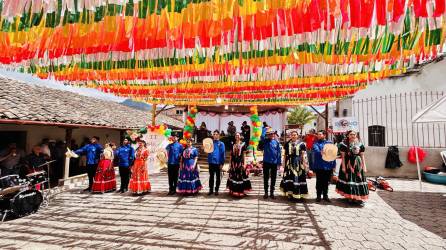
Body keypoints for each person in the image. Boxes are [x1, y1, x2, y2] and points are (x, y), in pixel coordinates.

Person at [335, 131, 369, 204]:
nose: (352, 136)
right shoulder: (343, 144)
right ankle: (349, 197)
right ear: (348, 136)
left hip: (358, 166)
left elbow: (362, 156)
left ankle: (357, 197)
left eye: (354, 134)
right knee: (349, 180)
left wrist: (364, 166)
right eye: (351, 134)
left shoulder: (360, 144)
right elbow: (343, 157)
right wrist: (343, 167)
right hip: (348, 165)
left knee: (358, 180)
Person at [280, 131, 309, 200]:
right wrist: (283, 163)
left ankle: (298, 193)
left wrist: (304, 163)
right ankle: (290, 193)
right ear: (290, 136)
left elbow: (302, 155)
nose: (293, 136)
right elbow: (285, 155)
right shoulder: (287, 144)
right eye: (292, 135)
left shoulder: (302, 144)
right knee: (289, 177)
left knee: (297, 177)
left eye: (295, 135)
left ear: (297, 136)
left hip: (297, 162)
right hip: (289, 162)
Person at [311, 130, 336, 202]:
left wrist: (333, 165)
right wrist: (324, 152)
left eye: (320, 134)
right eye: (318, 134)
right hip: (319, 165)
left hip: (328, 165)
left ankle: (325, 195)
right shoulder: (316, 144)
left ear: (324, 135)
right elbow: (317, 152)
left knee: (327, 181)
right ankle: (318, 196)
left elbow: (333, 154)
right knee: (319, 181)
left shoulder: (330, 143)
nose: (318, 135)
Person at [259, 128, 282, 199]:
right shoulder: (265, 141)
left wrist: (279, 163)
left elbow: (279, 153)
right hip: (266, 162)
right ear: (267, 135)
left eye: (272, 134)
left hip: (274, 163)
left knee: (273, 178)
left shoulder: (276, 142)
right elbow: (261, 138)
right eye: (270, 134)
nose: (271, 135)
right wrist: (264, 131)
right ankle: (266, 193)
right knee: (266, 178)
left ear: (274, 134)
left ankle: (272, 193)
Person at [226, 133, 252, 197]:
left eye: (238, 135)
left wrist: (245, 163)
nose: (237, 136)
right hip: (233, 163)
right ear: (235, 137)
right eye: (236, 135)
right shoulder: (233, 144)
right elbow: (231, 155)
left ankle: (241, 191)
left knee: (241, 175)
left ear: (240, 136)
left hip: (240, 162)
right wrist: (229, 164)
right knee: (233, 176)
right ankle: (233, 191)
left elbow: (244, 155)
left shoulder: (243, 144)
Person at [207, 130, 226, 196]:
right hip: (211, 162)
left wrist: (222, 163)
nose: (215, 135)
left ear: (219, 135)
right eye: (214, 134)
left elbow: (223, 154)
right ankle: (211, 190)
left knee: (218, 177)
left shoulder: (221, 144)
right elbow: (207, 151)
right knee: (211, 177)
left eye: (216, 134)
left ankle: (216, 190)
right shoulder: (210, 143)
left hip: (218, 163)